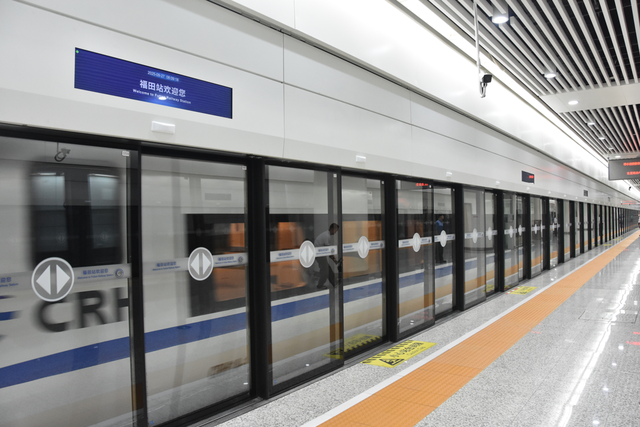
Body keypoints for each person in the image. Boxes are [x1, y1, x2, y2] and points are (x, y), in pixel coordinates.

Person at [314, 223, 339, 289]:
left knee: (327, 269)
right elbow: (329, 251)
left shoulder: (326, 234)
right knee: (325, 271)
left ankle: (335, 282)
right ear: (332, 229)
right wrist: (335, 260)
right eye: (336, 230)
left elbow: (328, 251)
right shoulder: (326, 236)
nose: (335, 232)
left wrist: (334, 260)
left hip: (320, 254)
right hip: (319, 254)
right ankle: (320, 285)